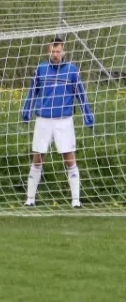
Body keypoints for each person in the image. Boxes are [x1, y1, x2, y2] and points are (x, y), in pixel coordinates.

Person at [22, 37, 94, 208]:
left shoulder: (71, 70)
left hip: (64, 121)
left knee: (69, 158)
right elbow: (32, 92)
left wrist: (87, 116)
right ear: (49, 51)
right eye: (53, 51)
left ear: (64, 52)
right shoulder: (41, 69)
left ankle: (76, 200)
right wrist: (27, 112)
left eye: (59, 51)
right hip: (43, 120)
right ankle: (30, 199)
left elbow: (81, 95)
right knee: (37, 159)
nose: (56, 54)